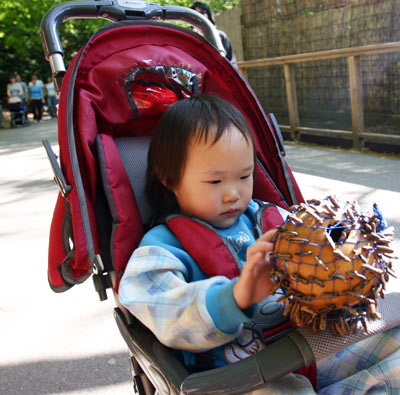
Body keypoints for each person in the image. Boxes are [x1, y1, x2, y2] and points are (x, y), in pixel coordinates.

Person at [119, 95, 400, 393]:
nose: (233, 194)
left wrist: (351, 258)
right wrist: (234, 297)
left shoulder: (274, 218)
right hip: (237, 380)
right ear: (168, 178)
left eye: (244, 175)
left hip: (308, 349)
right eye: (215, 182)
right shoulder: (160, 251)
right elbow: (164, 313)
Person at [191, 2, 237, 67]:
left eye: (202, 12)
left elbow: (231, 61)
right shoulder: (190, 38)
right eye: (195, 13)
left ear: (209, 15)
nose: (198, 16)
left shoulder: (220, 36)